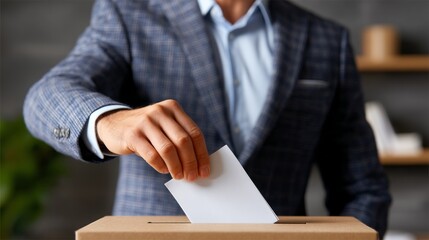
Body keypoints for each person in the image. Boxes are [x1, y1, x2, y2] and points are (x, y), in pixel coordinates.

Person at [23, 0, 391, 237]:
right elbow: (46, 97)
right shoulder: (129, 15)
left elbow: (363, 189)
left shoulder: (326, 39)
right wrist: (109, 121)